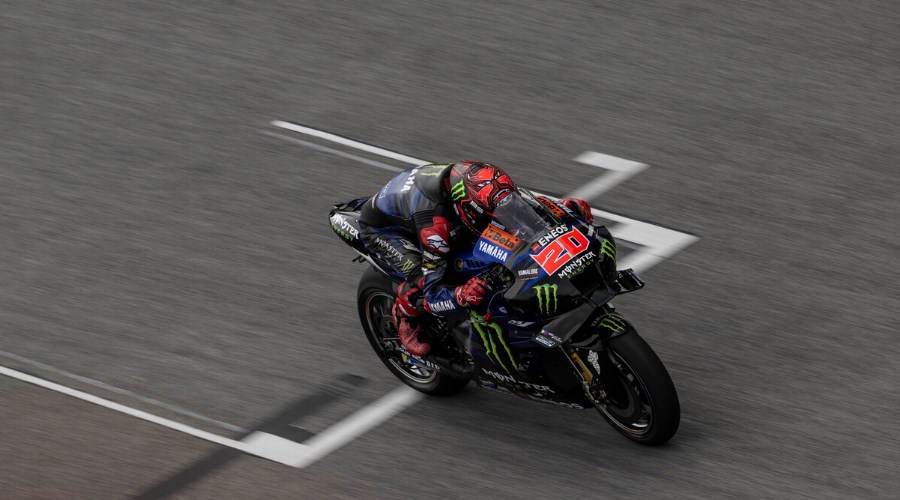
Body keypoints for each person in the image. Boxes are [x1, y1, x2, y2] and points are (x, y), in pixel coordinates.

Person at [358, 160, 593, 357]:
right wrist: (460, 294)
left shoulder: (480, 180)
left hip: (421, 201)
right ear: (468, 211)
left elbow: (515, 204)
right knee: (422, 278)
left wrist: (561, 211)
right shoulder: (435, 228)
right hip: (384, 229)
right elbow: (433, 292)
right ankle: (405, 315)